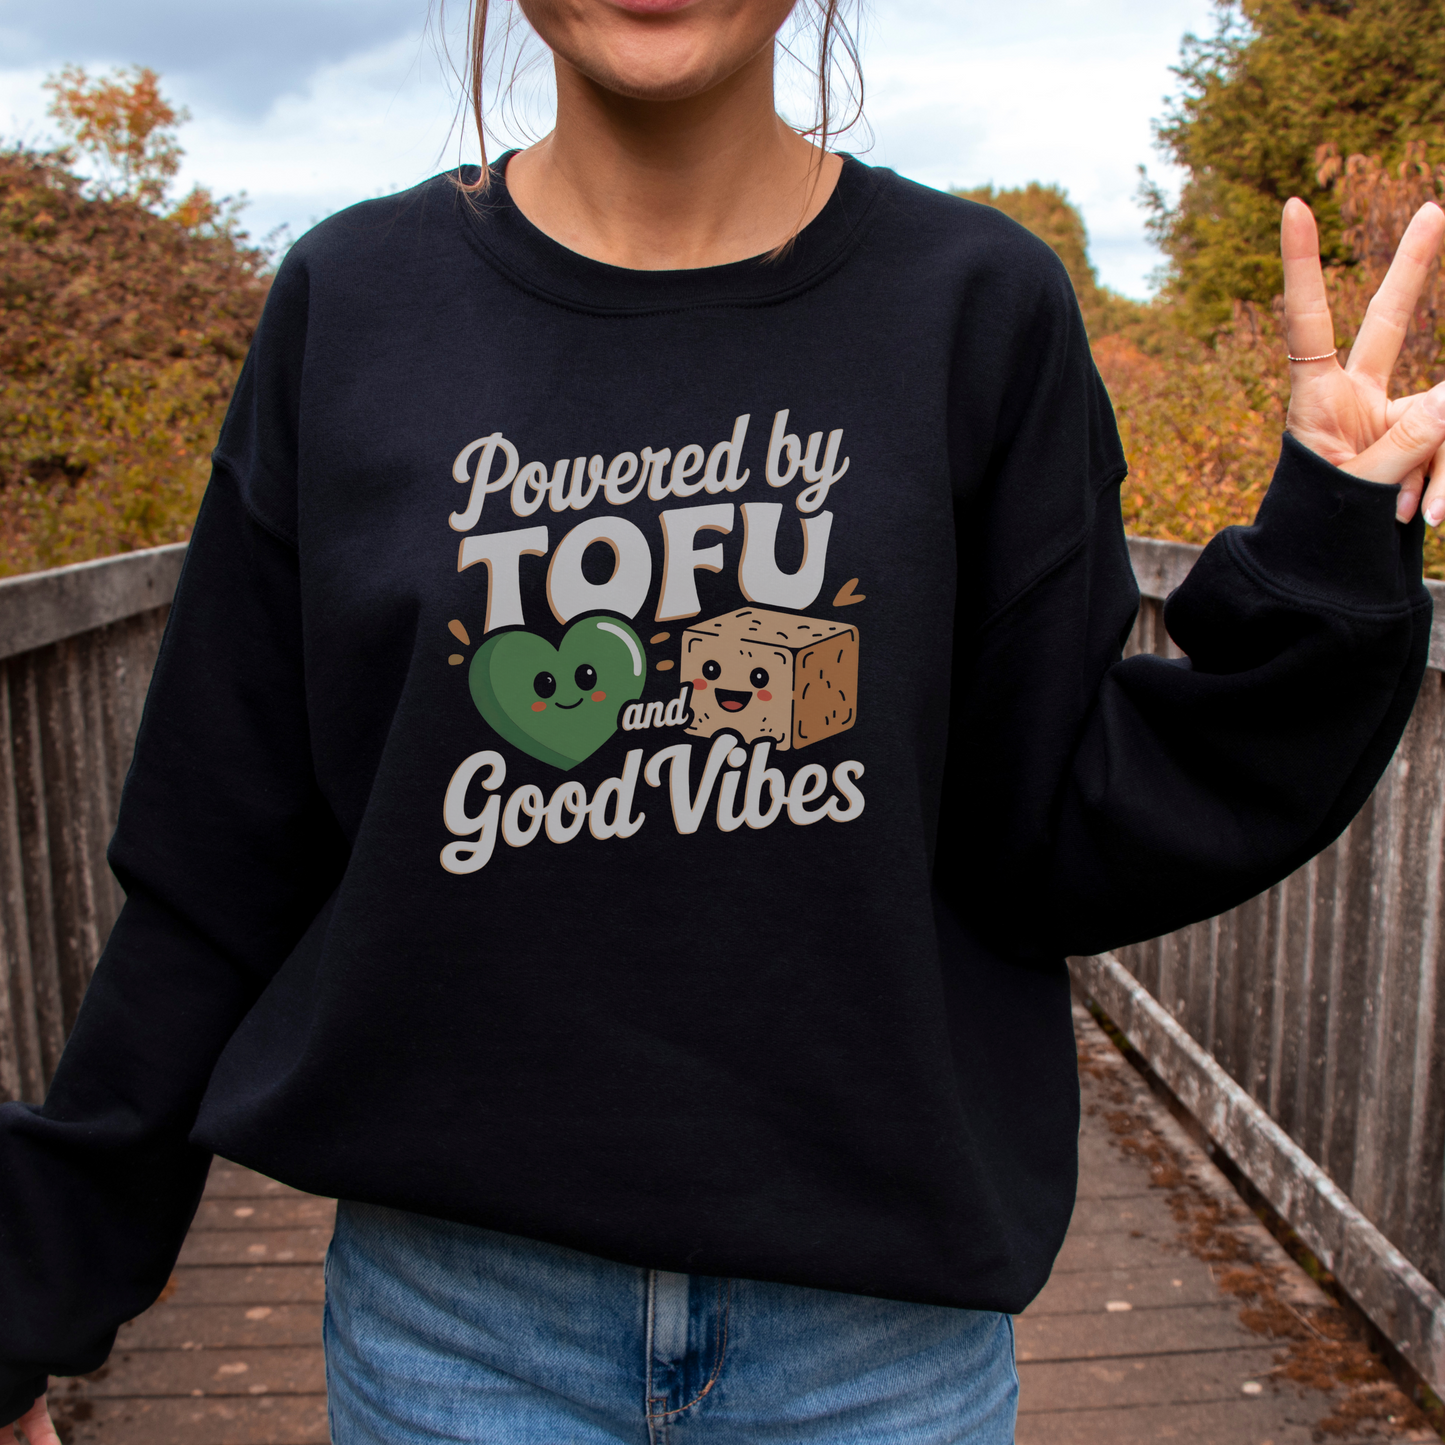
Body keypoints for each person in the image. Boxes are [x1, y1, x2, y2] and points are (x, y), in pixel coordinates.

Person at [4, 0, 1444, 1440]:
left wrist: (1325, 558)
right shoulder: (352, 303)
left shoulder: (978, 305)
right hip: (454, 1335)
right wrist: (30, 1302)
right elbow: (213, 860)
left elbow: (1056, 826)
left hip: (877, 1355)